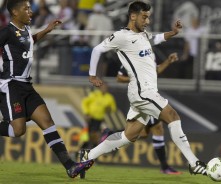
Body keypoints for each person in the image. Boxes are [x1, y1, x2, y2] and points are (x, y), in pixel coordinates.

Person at [83, 0, 207, 176]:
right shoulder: (121, 36)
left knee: (129, 136)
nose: (147, 21)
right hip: (142, 91)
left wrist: (172, 33)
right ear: (133, 16)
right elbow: (97, 49)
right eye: (144, 17)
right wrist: (92, 75)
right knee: (172, 116)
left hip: (144, 92)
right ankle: (194, 163)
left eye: (148, 17)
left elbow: (155, 38)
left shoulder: (143, 35)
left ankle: (88, 155)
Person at [0, 0, 93, 178]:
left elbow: (29, 42)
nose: (30, 11)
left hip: (26, 85)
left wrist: (46, 30)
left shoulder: (25, 29)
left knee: (47, 122)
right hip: (11, 85)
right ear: (14, 12)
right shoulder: (6, 32)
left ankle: (70, 166)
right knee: (18, 131)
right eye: (26, 9)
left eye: (29, 8)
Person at [111, 53, 182, 175]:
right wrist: (135, 78)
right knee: (153, 130)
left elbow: (155, 71)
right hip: (142, 99)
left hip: (151, 97)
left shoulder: (149, 56)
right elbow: (119, 77)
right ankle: (165, 167)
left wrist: (168, 61)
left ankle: (111, 134)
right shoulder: (131, 59)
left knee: (145, 133)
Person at [81, 83, 117, 149]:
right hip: (90, 118)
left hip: (99, 119)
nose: (104, 89)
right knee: (86, 136)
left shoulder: (109, 97)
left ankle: (90, 150)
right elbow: (84, 102)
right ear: (100, 88)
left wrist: (109, 109)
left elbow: (113, 108)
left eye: (106, 88)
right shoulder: (94, 94)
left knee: (94, 135)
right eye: (103, 87)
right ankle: (82, 150)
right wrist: (86, 113)